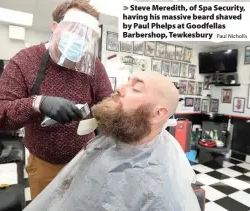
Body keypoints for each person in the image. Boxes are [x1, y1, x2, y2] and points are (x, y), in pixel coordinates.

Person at [0, 0, 113, 199]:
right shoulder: (25, 61)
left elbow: (108, 104)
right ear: (55, 27)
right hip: (44, 165)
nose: (80, 39)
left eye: (87, 35)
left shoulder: (94, 65)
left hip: (85, 161)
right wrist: (38, 103)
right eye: (74, 29)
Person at [24, 72, 201, 211]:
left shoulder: (160, 188)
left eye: (136, 88)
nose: (119, 88)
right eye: (127, 81)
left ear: (158, 114)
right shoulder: (107, 143)